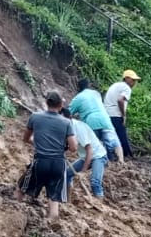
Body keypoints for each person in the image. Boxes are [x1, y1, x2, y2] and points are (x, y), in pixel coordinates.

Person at [21, 91, 79, 221]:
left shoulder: (35, 117)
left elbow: (26, 138)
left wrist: (39, 143)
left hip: (40, 162)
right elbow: (73, 147)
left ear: (46, 102)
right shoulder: (66, 123)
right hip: (58, 164)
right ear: (61, 105)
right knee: (54, 198)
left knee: (21, 190)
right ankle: (51, 221)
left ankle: (14, 214)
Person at [68, 79, 121, 163]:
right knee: (113, 144)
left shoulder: (77, 98)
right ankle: (120, 162)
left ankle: (102, 163)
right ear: (88, 86)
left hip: (91, 123)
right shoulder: (96, 93)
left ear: (78, 88)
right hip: (105, 120)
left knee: (95, 148)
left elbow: (68, 113)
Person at [68, 114, 108, 199]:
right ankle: (68, 197)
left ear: (69, 118)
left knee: (95, 182)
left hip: (98, 155)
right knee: (67, 173)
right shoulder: (67, 127)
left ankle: (99, 201)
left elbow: (90, 150)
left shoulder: (79, 128)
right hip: (85, 156)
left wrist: (83, 171)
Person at [104, 69, 139, 160]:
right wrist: (123, 115)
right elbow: (120, 100)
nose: (134, 82)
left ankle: (112, 155)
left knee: (110, 135)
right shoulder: (126, 88)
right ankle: (127, 155)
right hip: (116, 114)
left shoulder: (115, 85)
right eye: (133, 80)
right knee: (121, 135)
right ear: (126, 78)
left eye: (135, 80)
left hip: (107, 113)